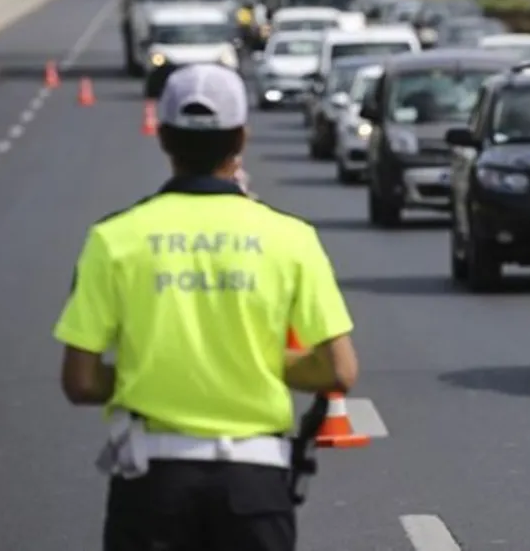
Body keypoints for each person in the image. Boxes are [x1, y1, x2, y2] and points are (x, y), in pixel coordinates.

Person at [53, 63, 359, 551]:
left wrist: (153, 371)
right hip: (255, 486)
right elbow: (338, 370)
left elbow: (81, 380)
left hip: (151, 484)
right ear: (240, 139)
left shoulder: (113, 240)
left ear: (164, 137)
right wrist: (250, 363)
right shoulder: (291, 239)